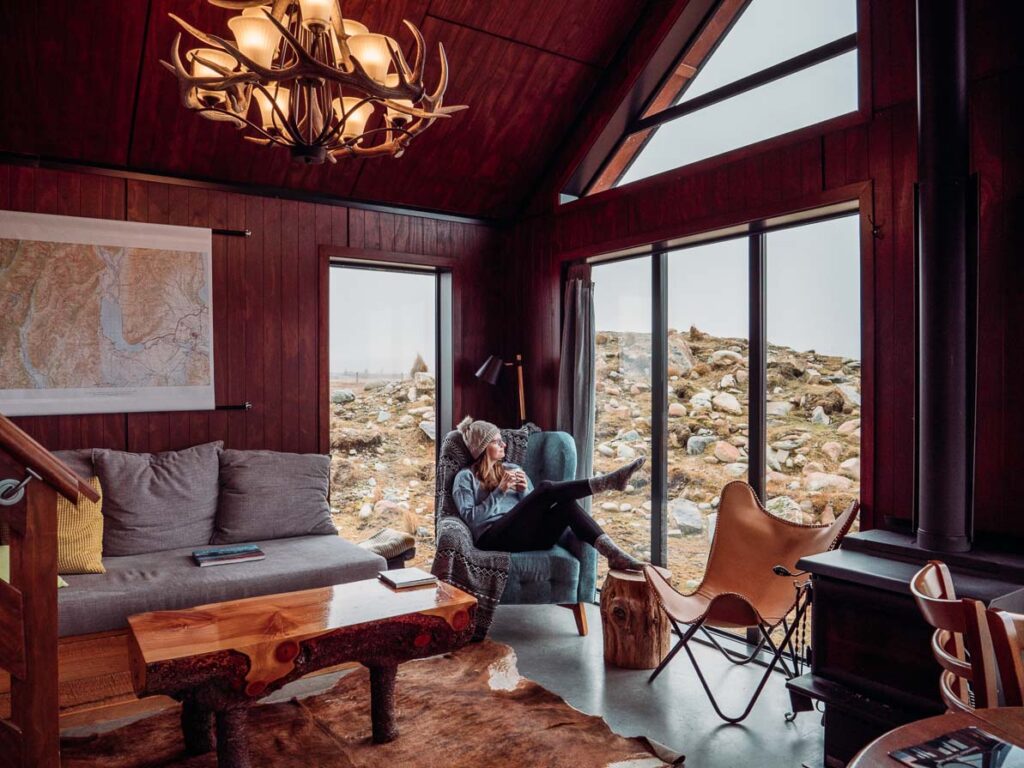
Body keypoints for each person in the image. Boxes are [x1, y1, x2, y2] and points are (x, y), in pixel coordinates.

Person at [451, 416, 645, 571]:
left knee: (566, 504)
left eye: (502, 440)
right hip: (491, 539)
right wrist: (500, 491)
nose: (504, 445)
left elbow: (533, 510)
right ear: (483, 448)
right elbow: (472, 520)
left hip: (529, 538)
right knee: (545, 488)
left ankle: (613, 554)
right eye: (496, 441)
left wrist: (523, 491)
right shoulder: (465, 478)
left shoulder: (512, 468)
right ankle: (607, 482)